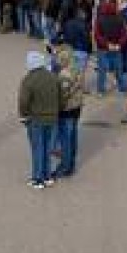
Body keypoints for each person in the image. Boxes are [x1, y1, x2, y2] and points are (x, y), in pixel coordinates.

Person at [18, 51, 61, 189]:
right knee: (48, 148)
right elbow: (59, 96)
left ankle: (37, 179)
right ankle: (47, 176)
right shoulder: (53, 77)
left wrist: (24, 116)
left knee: (37, 149)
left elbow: (23, 101)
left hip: (36, 119)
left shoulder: (28, 80)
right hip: (52, 118)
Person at [52, 45, 83, 178]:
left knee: (66, 139)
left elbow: (62, 94)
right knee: (72, 136)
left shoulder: (65, 74)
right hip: (76, 107)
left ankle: (65, 167)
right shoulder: (77, 67)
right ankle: (70, 163)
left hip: (67, 109)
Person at [94, 0, 127, 95]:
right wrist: (119, 44)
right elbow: (125, 34)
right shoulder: (120, 19)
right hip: (116, 48)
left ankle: (100, 90)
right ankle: (122, 88)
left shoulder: (100, 19)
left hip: (103, 49)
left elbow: (97, 35)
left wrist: (107, 44)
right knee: (119, 70)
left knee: (102, 71)